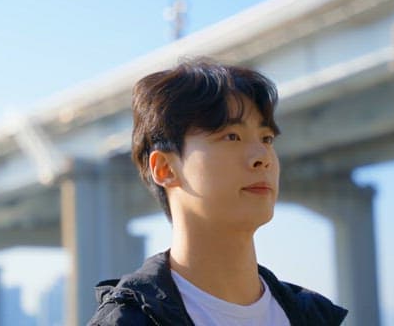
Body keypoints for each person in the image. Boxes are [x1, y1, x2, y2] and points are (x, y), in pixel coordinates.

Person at [87, 59, 347, 325]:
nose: (263, 157)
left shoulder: (314, 315)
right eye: (231, 136)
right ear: (165, 168)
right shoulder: (129, 320)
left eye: (266, 139)